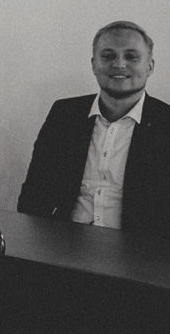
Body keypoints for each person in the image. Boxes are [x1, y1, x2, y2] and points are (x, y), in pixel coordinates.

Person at [17, 20, 170, 236]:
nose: (119, 64)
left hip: (140, 255)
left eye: (131, 56)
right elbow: (34, 193)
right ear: (93, 64)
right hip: (64, 245)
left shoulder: (166, 124)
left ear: (150, 66)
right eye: (107, 56)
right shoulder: (65, 114)